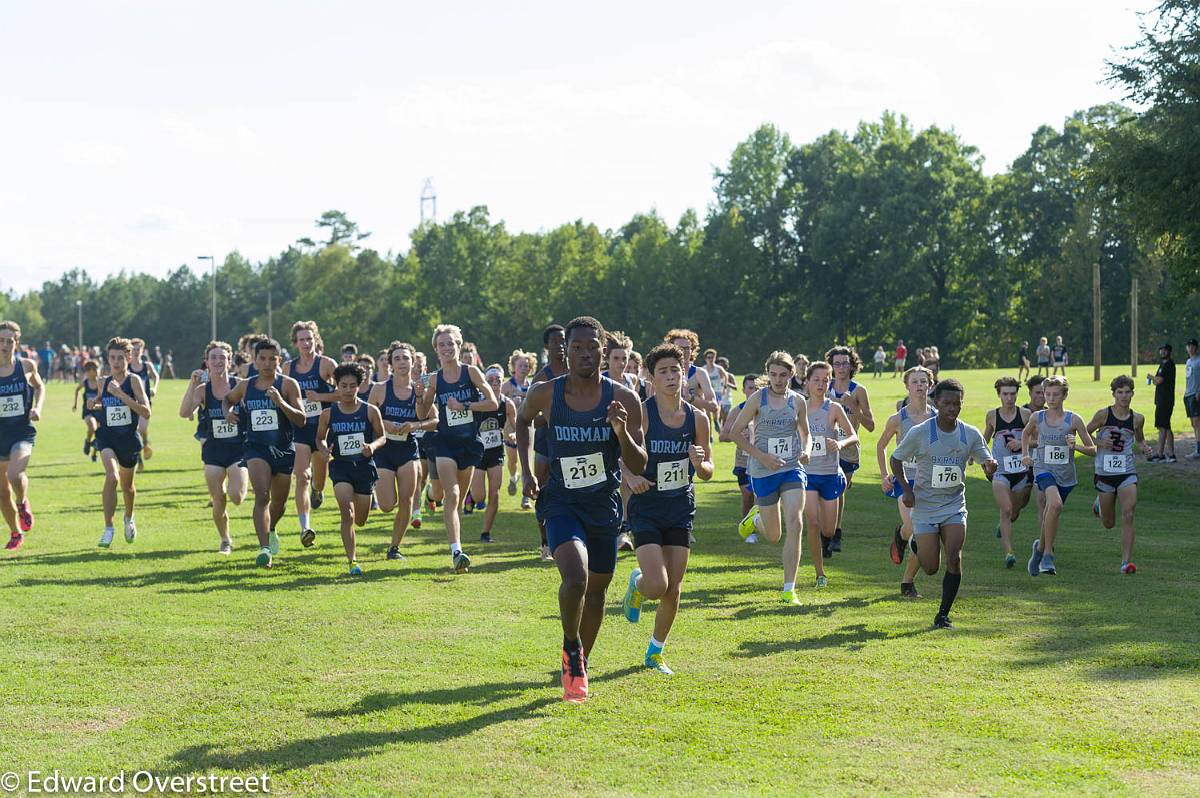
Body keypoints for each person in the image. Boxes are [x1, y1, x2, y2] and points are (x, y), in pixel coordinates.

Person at [516, 316, 647, 703]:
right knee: (576, 578)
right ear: (565, 351)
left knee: (598, 590)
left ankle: (580, 663)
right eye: (577, 347)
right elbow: (522, 422)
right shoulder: (545, 393)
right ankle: (571, 649)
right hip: (560, 502)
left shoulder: (624, 398)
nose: (585, 353)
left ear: (604, 351)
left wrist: (621, 433)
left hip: (603, 505)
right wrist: (527, 472)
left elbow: (639, 465)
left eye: (593, 346)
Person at [620, 342, 712, 675]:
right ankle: (637, 585)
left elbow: (708, 469)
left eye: (676, 369)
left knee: (673, 587)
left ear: (685, 372)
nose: (672, 376)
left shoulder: (697, 417)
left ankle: (655, 652)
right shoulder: (641, 413)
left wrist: (699, 463)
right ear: (651, 377)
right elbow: (618, 454)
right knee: (656, 585)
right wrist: (630, 477)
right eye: (664, 371)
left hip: (680, 506)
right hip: (647, 505)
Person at [890, 378, 996, 629]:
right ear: (936, 403)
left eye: (956, 404)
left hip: (953, 505)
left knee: (954, 557)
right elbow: (896, 460)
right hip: (925, 506)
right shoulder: (920, 433)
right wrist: (906, 490)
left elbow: (986, 462)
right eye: (946, 403)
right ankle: (915, 541)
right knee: (930, 568)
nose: (951, 408)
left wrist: (991, 468)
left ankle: (942, 615)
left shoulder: (970, 434)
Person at [415, 323, 499, 574]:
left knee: (459, 500)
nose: (446, 348)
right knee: (451, 496)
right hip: (445, 442)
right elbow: (421, 414)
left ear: (458, 346)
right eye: (441, 345)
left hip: (469, 444)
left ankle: (433, 494)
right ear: (436, 350)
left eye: (450, 343)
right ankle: (456, 551)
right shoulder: (434, 379)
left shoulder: (471, 372)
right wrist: (420, 396)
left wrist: (465, 406)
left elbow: (492, 403)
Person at [729, 351, 812, 605]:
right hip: (763, 470)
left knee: (795, 522)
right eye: (774, 374)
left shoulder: (798, 401)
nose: (778, 379)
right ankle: (755, 517)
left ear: (791, 375)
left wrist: (806, 451)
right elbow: (735, 433)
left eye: (783, 375)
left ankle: (789, 589)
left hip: (790, 468)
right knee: (774, 535)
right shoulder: (757, 399)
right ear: (768, 373)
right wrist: (761, 456)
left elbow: (805, 433)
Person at [223, 338, 307, 568]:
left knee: (278, 503)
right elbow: (227, 399)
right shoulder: (245, 385)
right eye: (262, 358)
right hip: (256, 448)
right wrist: (228, 413)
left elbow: (301, 419)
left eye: (272, 359)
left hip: (283, 450)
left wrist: (280, 402)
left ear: (279, 360)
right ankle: (264, 549)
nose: (267, 363)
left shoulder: (288, 385)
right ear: (255, 360)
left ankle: (271, 529)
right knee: (262, 495)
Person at [1021, 375, 1097, 576]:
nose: (1051, 398)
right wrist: (1025, 455)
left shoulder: (1074, 420)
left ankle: (1038, 550)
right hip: (1043, 469)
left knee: (1051, 512)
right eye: (1048, 394)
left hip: (1066, 475)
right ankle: (1047, 556)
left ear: (1064, 396)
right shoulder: (1038, 417)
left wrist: (1076, 446)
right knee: (1054, 505)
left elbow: (1093, 450)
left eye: (1056, 394)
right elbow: (1025, 434)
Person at [317, 362, 386, 575]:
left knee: (361, 520)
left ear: (359, 385)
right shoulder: (328, 414)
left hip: (364, 467)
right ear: (336, 385)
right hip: (341, 468)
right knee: (346, 513)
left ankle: (359, 518)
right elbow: (319, 439)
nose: (348, 390)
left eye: (352, 385)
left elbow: (383, 436)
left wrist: (371, 447)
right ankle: (352, 561)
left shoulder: (370, 411)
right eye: (343, 385)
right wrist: (324, 449)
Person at [179, 341, 247, 554]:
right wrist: (192, 383)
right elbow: (184, 412)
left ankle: (234, 484)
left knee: (236, 497)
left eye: (222, 357)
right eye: (213, 357)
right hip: (214, 450)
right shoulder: (202, 390)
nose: (218, 361)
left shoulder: (241, 385)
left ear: (229, 361)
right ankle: (225, 540)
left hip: (239, 448)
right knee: (218, 498)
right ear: (207, 362)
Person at [369, 341, 433, 561]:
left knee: (406, 500)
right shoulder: (379, 389)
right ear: (390, 364)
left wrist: (415, 425)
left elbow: (435, 419)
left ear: (413, 362)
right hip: (384, 451)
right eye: (397, 358)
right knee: (387, 505)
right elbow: (367, 418)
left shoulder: (419, 388)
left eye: (406, 358)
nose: (402, 362)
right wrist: (384, 423)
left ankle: (394, 548)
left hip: (408, 450)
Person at [876, 365, 935, 598]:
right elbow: (881, 447)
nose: (920, 386)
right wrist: (883, 476)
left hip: (930, 482)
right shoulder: (897, 419)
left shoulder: (937, 417)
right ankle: (902, 534)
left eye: (923, 381)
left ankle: (907, 582)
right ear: (907, 386)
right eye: (915, 382)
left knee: (922, 533)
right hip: (904, 480)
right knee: (914, 529)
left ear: (930, 385)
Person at [1087, 375, 1152, 574]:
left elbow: (1139, 440)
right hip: (1104, 473)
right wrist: (1099, 443)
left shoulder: (1137, 418)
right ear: (1114, 394)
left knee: (1129, 513)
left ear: (1132, 393)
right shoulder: (1103, 415)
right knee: (1108, 523)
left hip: (1127, 472)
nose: (1124, 396)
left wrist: (1144, 448)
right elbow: (1085, 433)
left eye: (1127, 392)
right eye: (1120, 392)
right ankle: (1100, 502)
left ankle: (1125, 562)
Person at [90, 337, 151, 548]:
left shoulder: (134, 381)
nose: (115, 362)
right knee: (111, 476)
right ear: (107, 358)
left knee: (128, 487)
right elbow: (102, 403)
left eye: (120, 358)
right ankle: (108, 527)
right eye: (112, 357)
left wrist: (121, 394)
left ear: (129, 357)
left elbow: (146, 412)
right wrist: (94, 404)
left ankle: (129, 517)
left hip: (128, 439)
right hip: (107, 436)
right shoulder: (103, 381)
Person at [801, 361, 857, 588]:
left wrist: (841, 443)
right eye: (817, 380)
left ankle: (826, 542)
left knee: (828, 529)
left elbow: (853, 435)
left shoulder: (833, 408)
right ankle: (820, 573)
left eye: (826, 380)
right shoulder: (799, 408)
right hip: (808, 475)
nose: (822, 384)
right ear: (807, 382)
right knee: (812, 523)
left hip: (830, 474)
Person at [283, 321, 338, 546]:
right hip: (300, 429)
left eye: (309, 339)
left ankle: (318, 490)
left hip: (323, 430)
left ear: (316, 340)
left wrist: (320, 397)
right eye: (302, 340)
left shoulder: (326, 365)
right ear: (295, 343)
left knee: (318, 480)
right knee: (302, 476)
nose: (306, 343)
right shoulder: (288, 368)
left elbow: (346, 393)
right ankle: (305, 527)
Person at [824, 345, 875, 556]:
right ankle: (830, 534)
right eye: (836, 363)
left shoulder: (858, 390)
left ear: (852, 365)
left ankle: (835, 532)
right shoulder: (823, 387)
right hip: (825, 446)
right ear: (831, 365)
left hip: (849, 448)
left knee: (838, 490)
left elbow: (871, 425)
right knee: (830, 491)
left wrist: (853, 407)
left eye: (845, 363)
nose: (841, 367)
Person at [0, 321, 44, 550]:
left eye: (10, 341)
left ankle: (22, 503)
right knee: (1, 492)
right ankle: (15, 533)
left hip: (21, 431)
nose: (5, 345)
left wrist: (38, 408)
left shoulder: (26, 366)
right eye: (1, 340)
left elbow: (39, 387)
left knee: (15, 475)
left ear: (16, 343)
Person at [982, 377, 1032, 568]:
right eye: (1005, 394)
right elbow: (984, 439)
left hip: (1022, 471)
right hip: (1000, 471)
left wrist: (1022, 444)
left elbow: (1038, 441)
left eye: (1012, 394)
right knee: (1007, 510)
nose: (1009, 398)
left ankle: (1003, 526)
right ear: (999, 395)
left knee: (1014, 512)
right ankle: (1009, 553)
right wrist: (975, 456)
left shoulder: (1026, 415)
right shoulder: (992, 416)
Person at [529, 324, 568, 557]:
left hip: (571, 442)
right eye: (554, 342)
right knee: (543, 491)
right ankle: (545, 542)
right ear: (546, 346)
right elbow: (531, 419)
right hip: (546, 443)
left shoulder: (578, 372)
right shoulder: (542, 378)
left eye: (563, 340)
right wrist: (556, 413)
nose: (560, 346)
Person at [471, 364, 516, 543]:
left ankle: (485, 532)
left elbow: (516, 425)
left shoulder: (507, 404)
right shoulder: (479, 401)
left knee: (494, 492)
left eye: (498, 379)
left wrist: (513, 434)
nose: (495, 382)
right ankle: (470, 495)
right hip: (477, 452)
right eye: (490, 380)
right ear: (485, 382)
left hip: (496, 452)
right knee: (478, 496)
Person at [720, 374, 760, 541]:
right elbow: (723, 435)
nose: (753, 391)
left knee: (761, 496)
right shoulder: (737, 411)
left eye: (756, 388)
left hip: (762, 460)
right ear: (743, 389)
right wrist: (738, 435)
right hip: (743, 461)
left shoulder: (767, 409)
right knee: (747, 496)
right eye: (750, 388)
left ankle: (758, 527)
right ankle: (747, 528)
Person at [501, 349, 536, 496]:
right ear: (514, 367)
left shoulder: (532, 386)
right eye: (521, 365)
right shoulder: (507, 386)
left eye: (527, 366)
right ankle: (513, 477)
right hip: (510, 428)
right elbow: (498, 405)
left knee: (527, 462)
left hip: (528, 427)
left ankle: (526, 497)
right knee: (513, 461)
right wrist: (510, 403)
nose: (524, 368)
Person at [663, 329, 718, 417]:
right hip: (669, 423)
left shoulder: (699, 373)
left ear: (692, 350)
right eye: (679, 348)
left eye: (687, 348)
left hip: (695, 423)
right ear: (670, 349)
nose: (684, 352)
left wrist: (691, 398)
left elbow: (714, 407)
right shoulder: (663, 373)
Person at [128, 338, 159, 465]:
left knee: (142, 429)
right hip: (130, 403)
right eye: (133, 349)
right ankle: (138, 456)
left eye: (138, 349)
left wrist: (155, 388)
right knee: (134, 430)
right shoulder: (127, 367)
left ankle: (145, 443)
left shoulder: (147, 366)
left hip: (144, 403)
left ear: (142, 350)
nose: (136, 352)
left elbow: (155, 376)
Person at [1150, 344, 1177, 463]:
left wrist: (1151, 377)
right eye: (1161, 350)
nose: (1162, 352)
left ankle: (1160, 454)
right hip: (1161, 399)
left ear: (1169, 352)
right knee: (1166, 426)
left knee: (1162, 426)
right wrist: (1155, 379)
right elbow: (1157, 381)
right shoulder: (1162, 364)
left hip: (1165, 400)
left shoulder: (1169, 364)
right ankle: (1171, 454)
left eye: (1165, 350)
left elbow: (1158, 380)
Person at [73, 359, 102, 461]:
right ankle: (88, 442)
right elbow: (77, 390)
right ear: (89, 371)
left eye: (97, 369)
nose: (98, 372)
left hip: (99, 410)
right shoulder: (85, 382)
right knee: (92, 427)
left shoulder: (100, 383)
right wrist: (75, 404)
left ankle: (94, 454)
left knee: (99, 434)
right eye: (95, 370)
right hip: (88, 411)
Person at [1184, 338, 1200, 460]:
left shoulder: (1199, 361)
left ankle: (1198, 450)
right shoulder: (1188, 361)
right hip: (1188, 395)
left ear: (1196, 347)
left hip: (1195, 395)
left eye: (1192, 345)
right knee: (1193, 424)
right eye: (1188, 346)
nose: (1190, 348)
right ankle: (1197, 448)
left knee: (1197, 423)